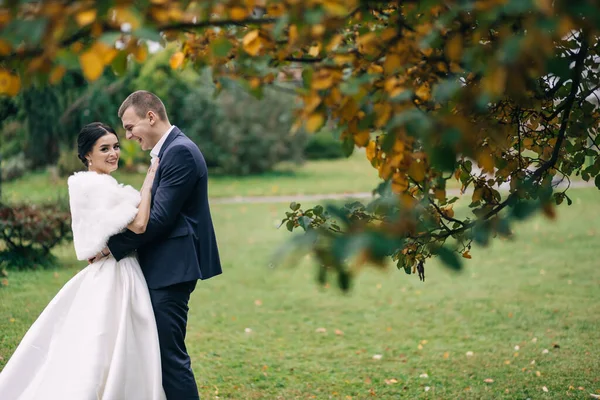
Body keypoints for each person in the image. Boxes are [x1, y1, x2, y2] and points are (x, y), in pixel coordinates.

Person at [0, 122, 166, 399]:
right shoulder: (94, 187)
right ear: (87, 155)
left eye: (115, 146)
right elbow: (138, 225)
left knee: (110, 341)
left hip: (113, 266)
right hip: (115, 273)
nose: (113, 153)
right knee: (112, 340)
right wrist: (148, 183)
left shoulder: (98, 184)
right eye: (104, 149)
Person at [92, 90, 222, 400]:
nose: (127, 135)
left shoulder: (180, 152)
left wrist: (111, 246)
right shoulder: (168, 151)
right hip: (163, 265)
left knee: (169, 359)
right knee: (157, 354)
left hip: (172, 268)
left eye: (129, 126)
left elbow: (159, 219)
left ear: (151, 117)